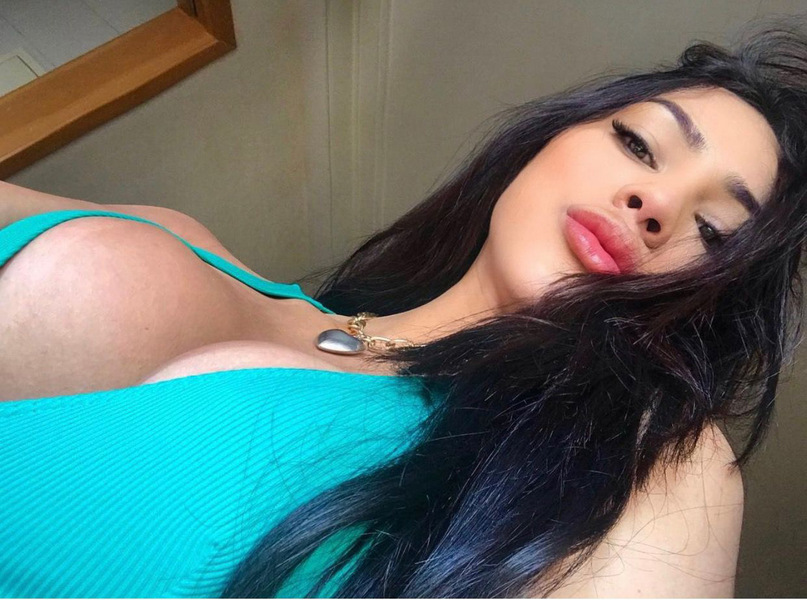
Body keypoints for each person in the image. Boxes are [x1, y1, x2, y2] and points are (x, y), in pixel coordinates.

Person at [0, 15, 805, 599]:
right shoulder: (179, 235)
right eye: (637, 143)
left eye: (710, 231)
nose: (653, 203)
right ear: (545, 139)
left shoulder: (645, 463)